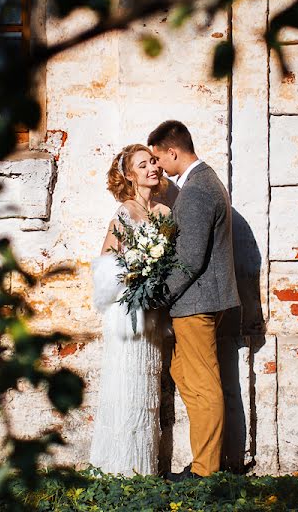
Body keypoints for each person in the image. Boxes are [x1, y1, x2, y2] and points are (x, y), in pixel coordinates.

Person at [147, 120, 240, 482]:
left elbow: (190, 259)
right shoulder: (203, 182)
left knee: (202, 385)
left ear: (173, 151)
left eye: (158, 158)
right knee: (185, 372)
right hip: (199, 300)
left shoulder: (198, 190)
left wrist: (158, 298)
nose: (158, 166)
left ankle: (205, 470)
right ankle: (205, 459)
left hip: (197, 302)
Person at [88, 144, 170, 476]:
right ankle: (119, 468)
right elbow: (106, 265)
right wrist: (135, 278)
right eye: (143, 164)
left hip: (153, 315)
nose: (153, 167)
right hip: (127, 314)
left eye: (153, 161)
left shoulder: (165, 213)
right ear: (129, 175)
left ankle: (143, 468)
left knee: (147, 390)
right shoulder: (124, 213)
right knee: (125, 387)